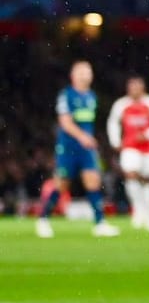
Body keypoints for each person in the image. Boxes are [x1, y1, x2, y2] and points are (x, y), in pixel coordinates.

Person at [38, 60, 119, 238]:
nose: (85, 75)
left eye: (88, 72)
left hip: (86, 148)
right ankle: (43, 219)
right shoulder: (66, 95)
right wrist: (83, 137)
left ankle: (100, 223)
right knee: (61, 185)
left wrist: (87, 139)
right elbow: (65, 123)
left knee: (93, 181)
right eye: (81, 72)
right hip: (68, 147)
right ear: (73, 76)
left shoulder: (91, 96)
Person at [107, 75, 149, 232]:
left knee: (148, 180)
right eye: (131, 87)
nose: (134, 90)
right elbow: (113, 122)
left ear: (143, 88)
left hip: (148, 147)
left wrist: (147, 134)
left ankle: (148, 214)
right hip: (130, 146)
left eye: (137, 87)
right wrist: (115, 141)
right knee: (130, 174)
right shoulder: (121, 104)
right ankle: (138, 210)